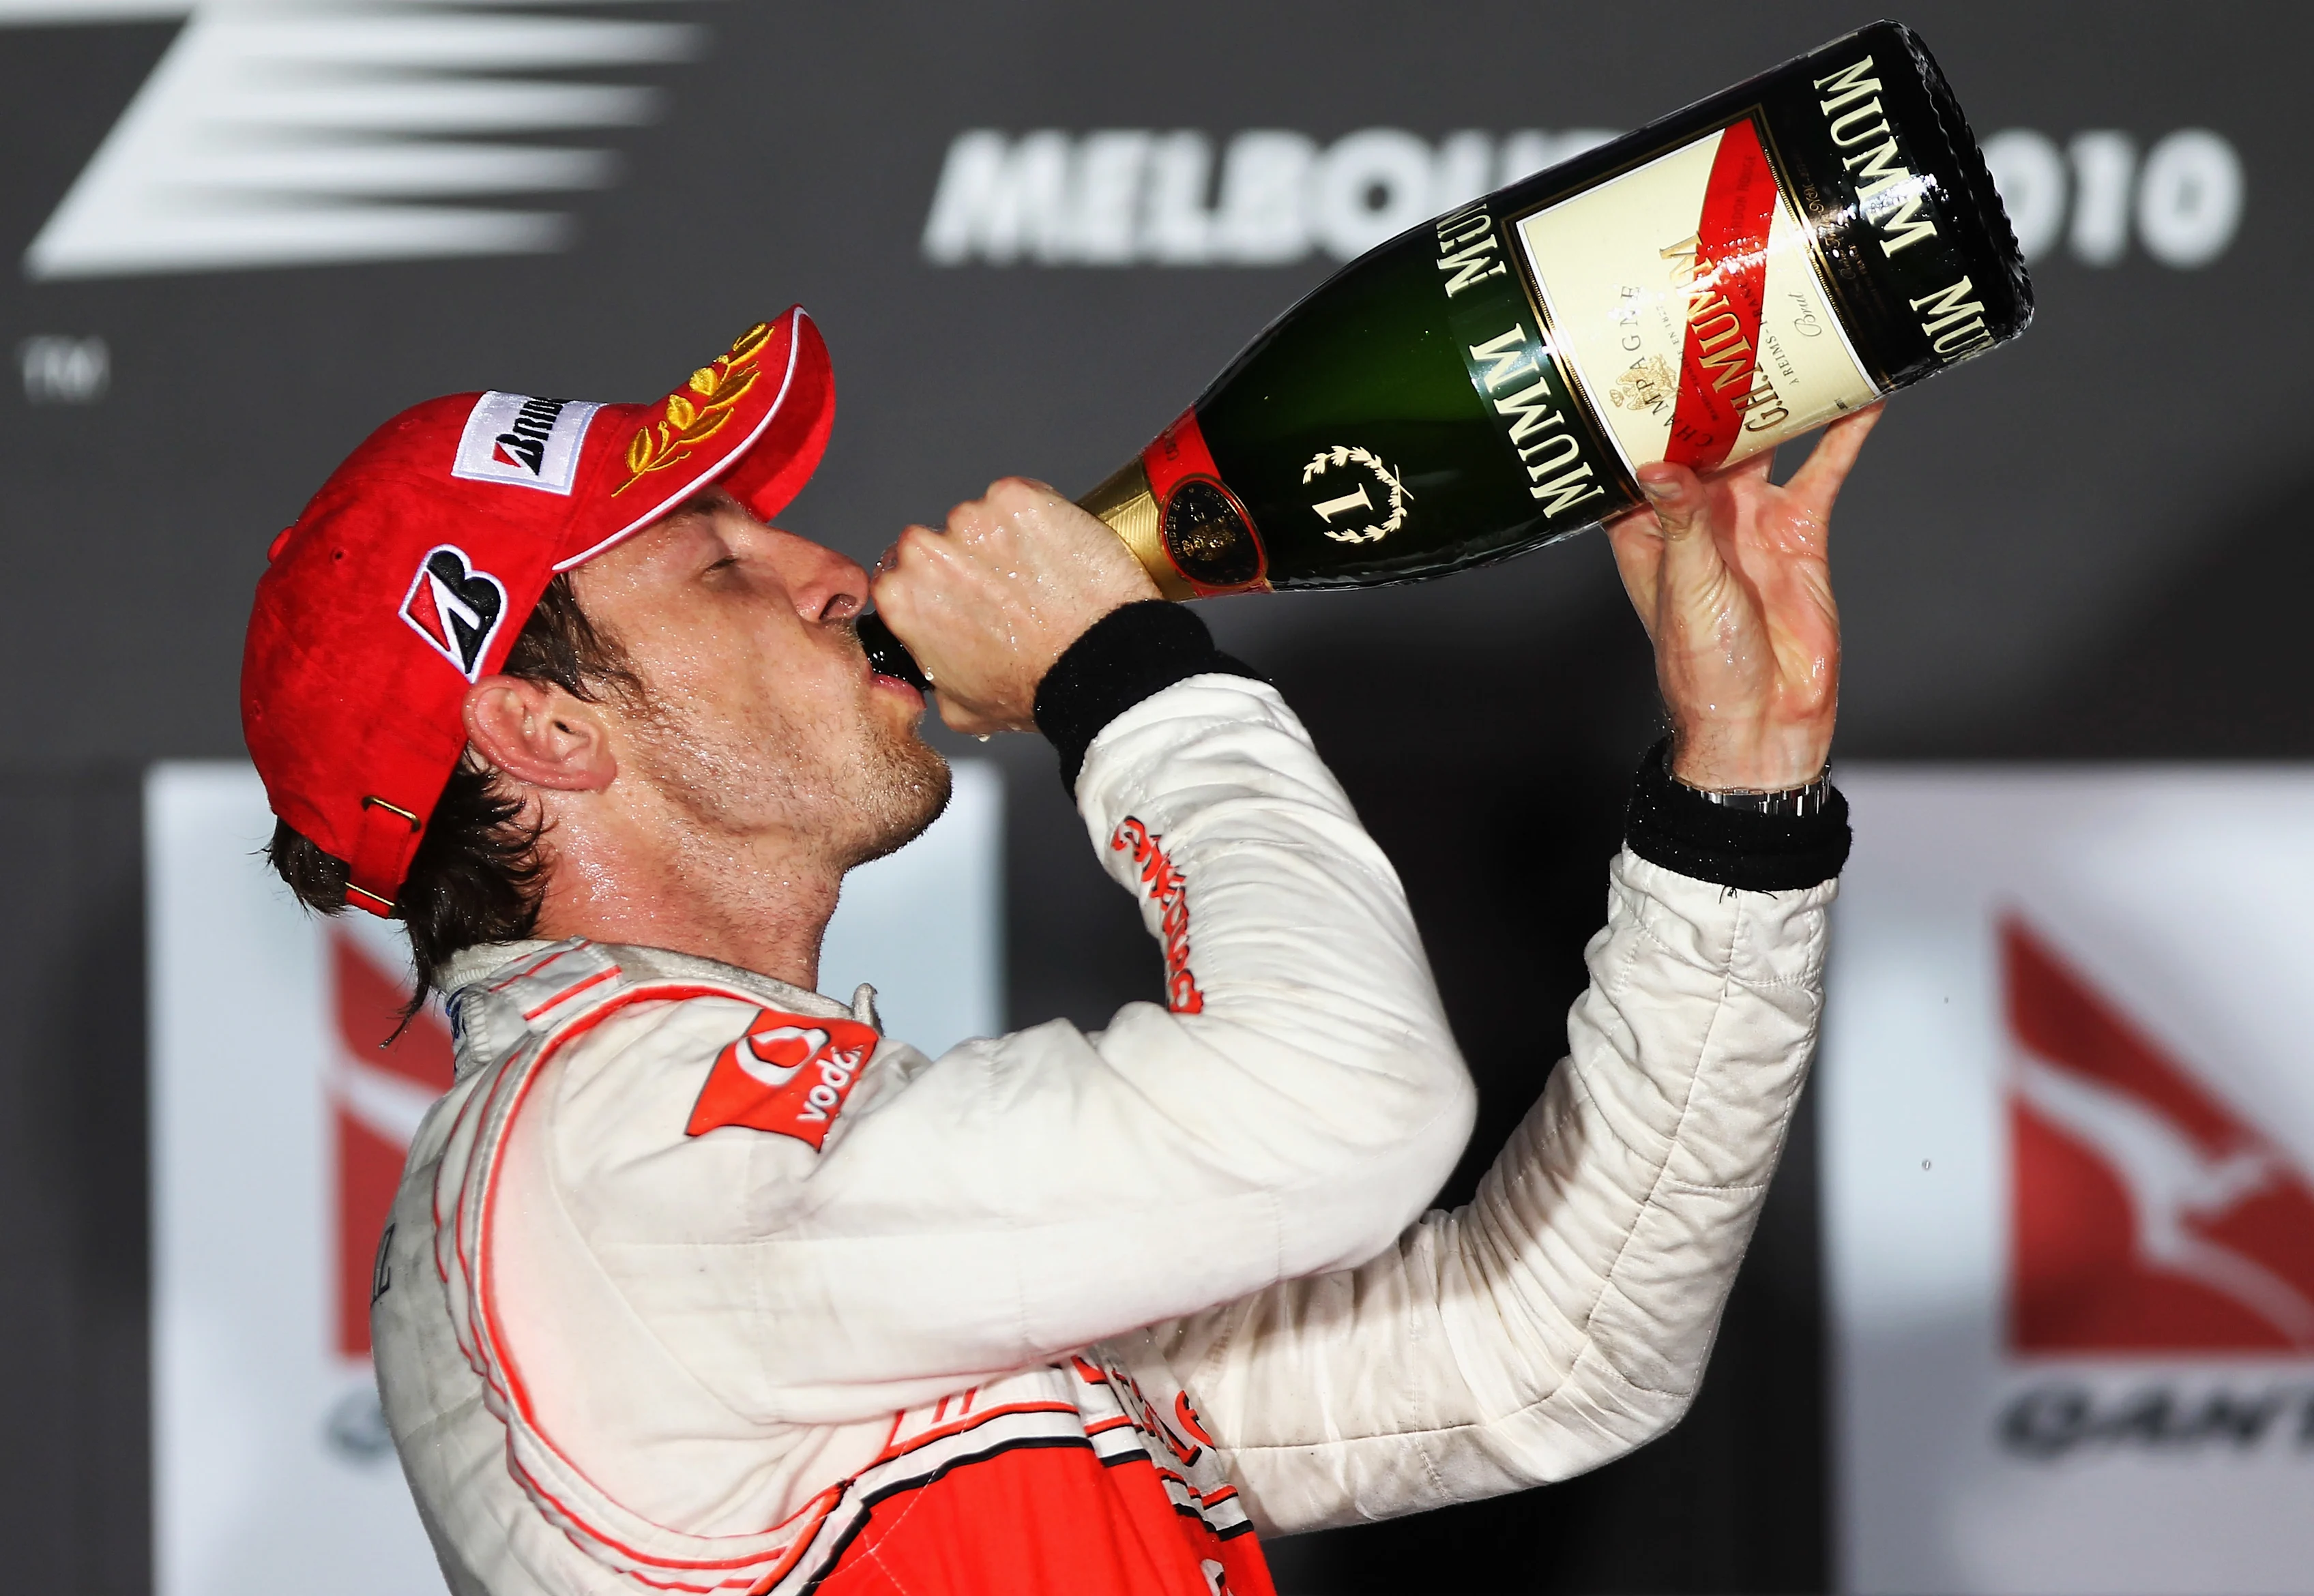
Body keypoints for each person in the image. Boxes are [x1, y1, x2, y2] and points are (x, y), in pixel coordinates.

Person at [241, 308, 1878, 1596]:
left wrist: (1738, 797)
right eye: (721, 563)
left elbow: (1543, 1353)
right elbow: (1341, 1105)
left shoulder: (716, 1178)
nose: (832, 574)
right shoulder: (606, 1160)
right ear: (540, 727)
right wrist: (1119, 674)